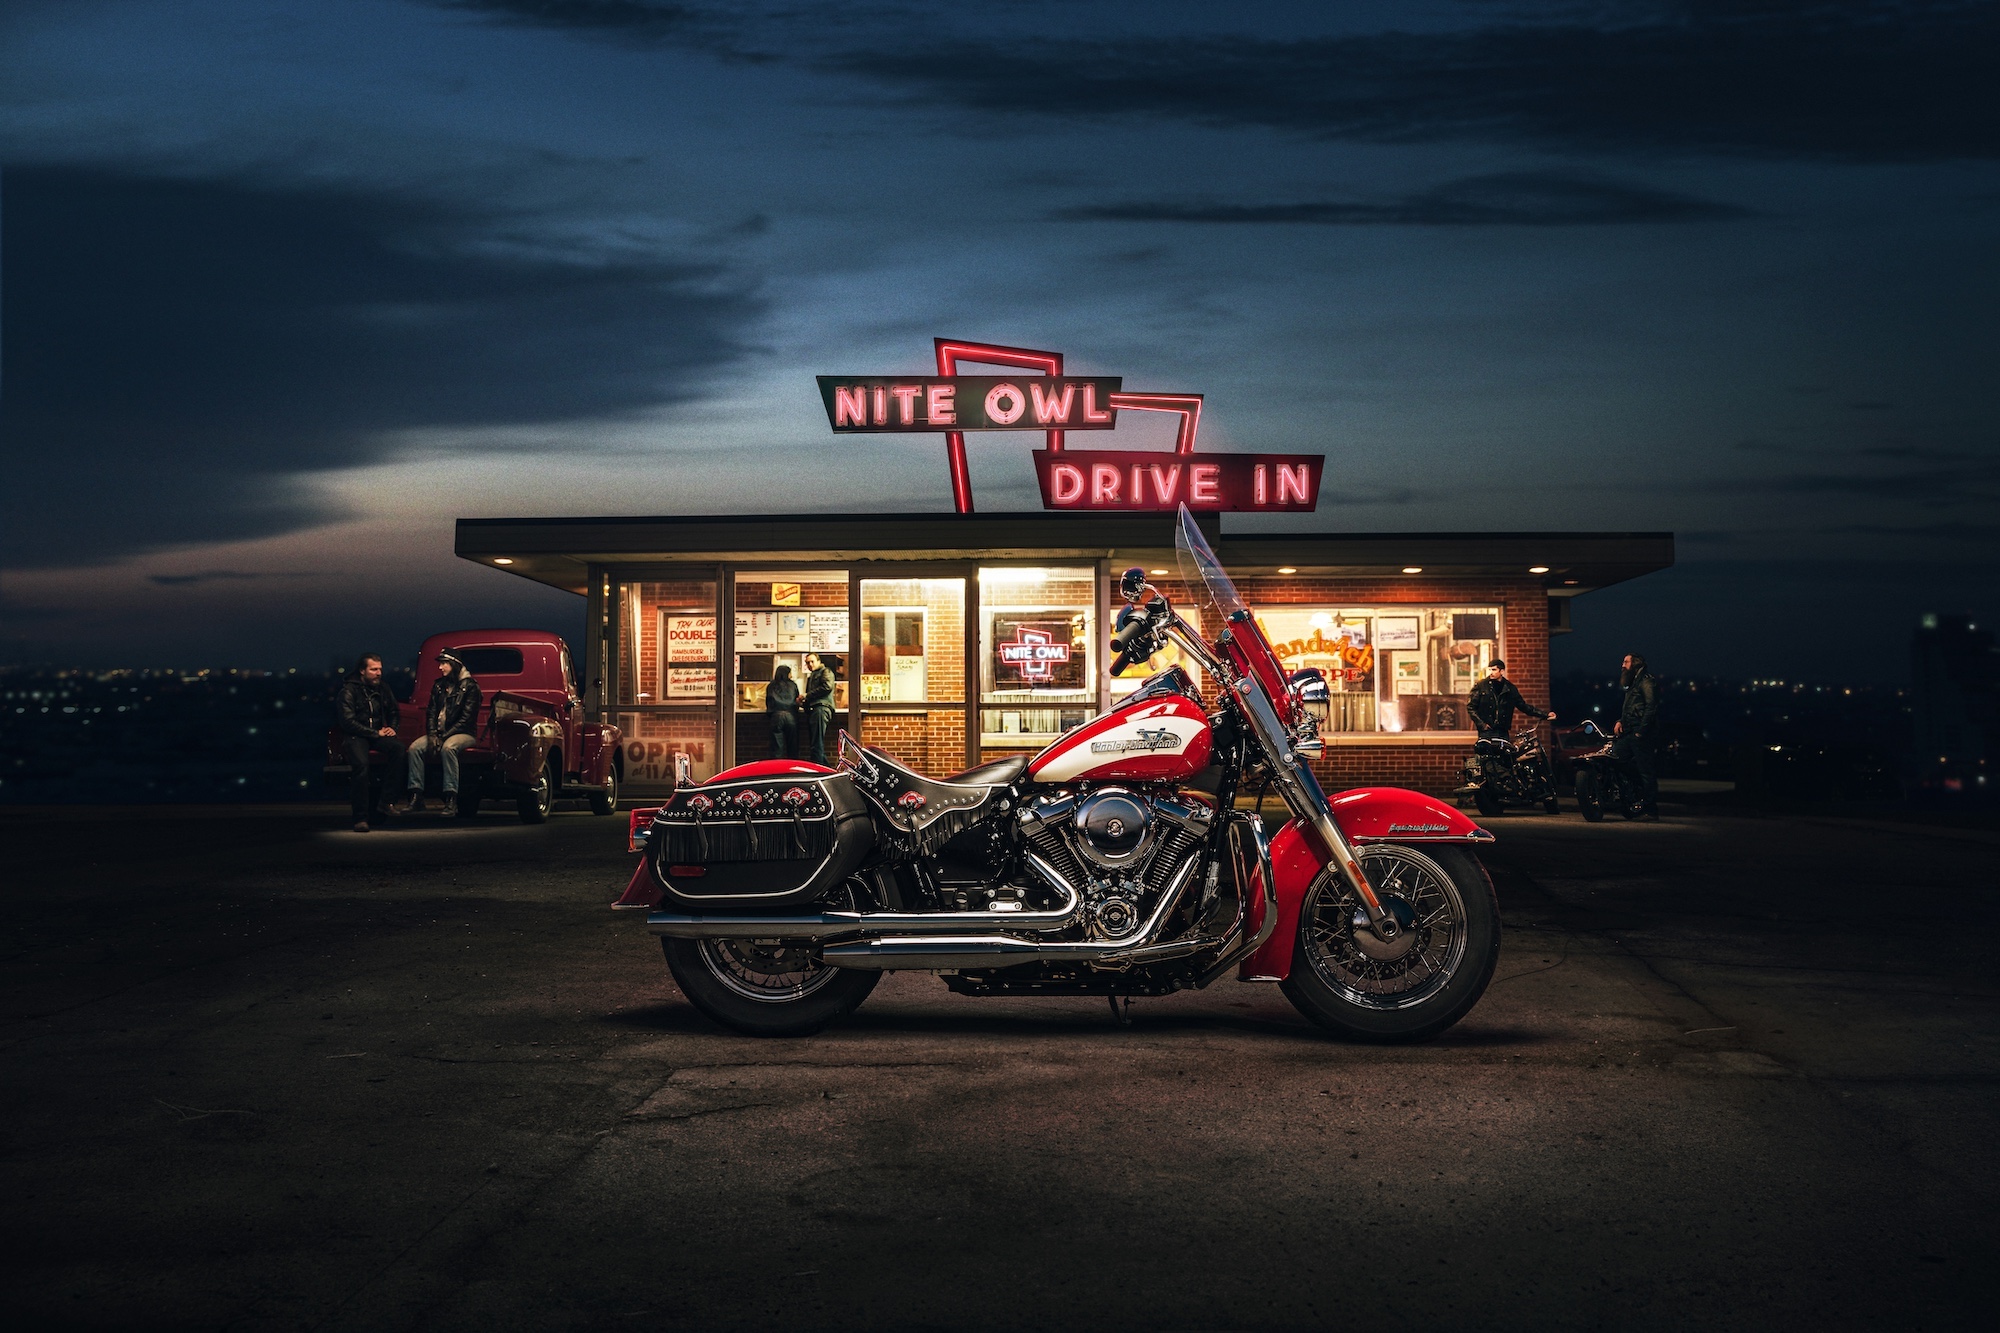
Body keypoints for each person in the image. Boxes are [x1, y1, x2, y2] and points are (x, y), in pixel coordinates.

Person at [398, 649, 482, 816]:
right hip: (439, 733)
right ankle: (416, 797)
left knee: (448, 748)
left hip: (464, 734)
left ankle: (451, 799)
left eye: (444, 663)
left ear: (454, 665)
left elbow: (466, 719)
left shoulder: (470, 687)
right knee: (415, 748)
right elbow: (431, 712)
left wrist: (443, 737)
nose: (441, 667)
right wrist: (433, 735)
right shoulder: (438, 685)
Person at [336, 653, 405, 832]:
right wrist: (375, 732)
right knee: (361, 767)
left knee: (399, 750)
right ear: (362, 671)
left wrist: (393, 728)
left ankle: (385, 802)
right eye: (373, 669)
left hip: (376, 734)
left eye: (380, 669)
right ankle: (360, 818)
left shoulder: (383, 688)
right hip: (356, 735)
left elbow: (394, 712)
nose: (378, 673)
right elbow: (348, 722)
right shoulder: (348, 691)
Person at [1614, 652, 1661, 820]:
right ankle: (1636, 791)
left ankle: (1650, 810)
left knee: (1646, 771)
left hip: (1641, 733)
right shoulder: (1633, 682)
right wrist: (1620, 721)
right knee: (1616, 759)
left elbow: (1651, 707)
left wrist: (1641, 730)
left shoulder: (1646, 680)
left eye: (1626, 661)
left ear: (1635, 663)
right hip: (1628, 731)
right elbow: (1629, 707)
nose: (1622, 665)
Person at [1467, 659, 1556, 741]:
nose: (1491, 673)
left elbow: (1523, 706)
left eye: (1494, 670)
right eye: (1489, 670)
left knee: (1505, 756)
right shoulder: (1481, 685)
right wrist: (1482, 724)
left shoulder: (1509, 688)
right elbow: (1471, 707)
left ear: (1502, 671)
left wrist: (1545, 714)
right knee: (1486, 756)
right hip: (1486, 731)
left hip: (1502, 730)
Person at [801, 651, 838, 765]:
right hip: (816, 710)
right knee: (816, 743)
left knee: (816, 743)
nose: (810, 664)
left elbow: (827, 687)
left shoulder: (825, 671)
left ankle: (819, 771)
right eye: (807, 663)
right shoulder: (811, 676)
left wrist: (806, 696)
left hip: (821, 708)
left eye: (812, 661)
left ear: (819, 661)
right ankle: (825, 769)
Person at [765, 663, 800, 759]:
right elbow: (797, 702)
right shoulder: (793, 685)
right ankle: (792, 770)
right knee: (792, 747)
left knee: (777, 748)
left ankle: (777, 771)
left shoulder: (771, 685)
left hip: (776, 717)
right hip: (790, 716)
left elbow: (768, 702)